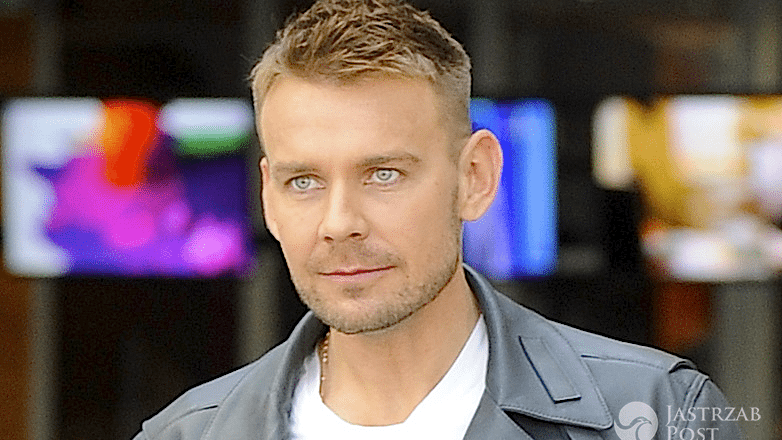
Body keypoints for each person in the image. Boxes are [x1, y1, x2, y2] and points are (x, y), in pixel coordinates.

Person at [133, 0, 744, 438]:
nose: (338, 222)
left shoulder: (657, 412)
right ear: (268, 197)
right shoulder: (184, 434)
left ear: (475, 177)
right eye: (305, 182)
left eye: (383, 174)